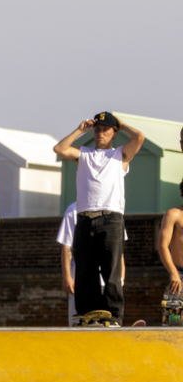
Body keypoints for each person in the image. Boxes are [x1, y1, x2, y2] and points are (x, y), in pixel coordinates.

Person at [53, 113, 145, 325]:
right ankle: (89, 314)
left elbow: (139, 137)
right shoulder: (84, 153)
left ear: (114, 133)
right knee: (85, 270)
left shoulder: (120, 155)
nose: (100, 133)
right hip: (85, 218)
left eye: (105, 129)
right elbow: (59, 149)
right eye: (97, 129)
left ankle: (113, 316)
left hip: (111, 219)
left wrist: (122, 125)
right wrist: (80, 130)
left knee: (111, 271)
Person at [57, 201, 126, 326]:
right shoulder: (73, 210)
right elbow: (67, 245)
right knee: (83, 321)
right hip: (81, 281)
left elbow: (117, 249)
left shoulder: (113, 210)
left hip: (108, 282)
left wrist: (121, 275)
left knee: (109, 322)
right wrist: (67, 276)